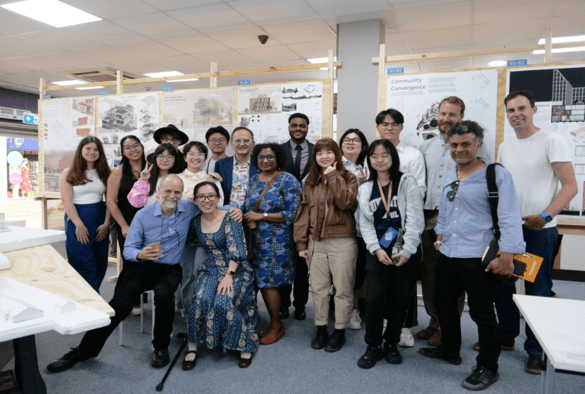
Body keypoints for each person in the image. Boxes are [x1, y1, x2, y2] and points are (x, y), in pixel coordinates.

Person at [47, 175, 199, 372]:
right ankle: (83, 350)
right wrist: (140, 253)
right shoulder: (143, 215)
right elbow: (128, 250)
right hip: (141, 265)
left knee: (163, 296)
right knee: (120, 303)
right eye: (168, 191)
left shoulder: (188, 209)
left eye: (177, 192)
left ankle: (161, 348)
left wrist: (234, 211)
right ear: (159, 191)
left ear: (182, 194)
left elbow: (214, 208)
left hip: (169, 268)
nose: (172, 195)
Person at [418, 120, 525, 391]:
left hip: (478, 257)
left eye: (466, 144)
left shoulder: (495, 175)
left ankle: (489, 366)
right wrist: (439, 240)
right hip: (449, 253)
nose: (460, 149)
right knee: (444, 304)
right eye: (454, 145)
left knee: (481, 313)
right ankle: (449, 349)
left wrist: (508, 256)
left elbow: (510, 216)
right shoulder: (452, 173)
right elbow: (445, 211)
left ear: (478, 144)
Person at [494, 90, 577, 374]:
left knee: (536, 291)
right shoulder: (505, 147)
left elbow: (570, 187)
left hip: (539, 231)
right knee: (503, 285)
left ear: (533, 109)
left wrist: (544, 216)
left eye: (521, 108)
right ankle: (506, 338)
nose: (516, 114)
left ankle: (535, 350)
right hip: (509, 229)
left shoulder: (551, 140)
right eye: (511, 110)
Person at [417, 96, 491, 347]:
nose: (446, 119)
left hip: (459, 219)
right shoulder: (426, 146)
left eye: (452, 114)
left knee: (454, 277)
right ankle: (434, 321)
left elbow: (486, 182)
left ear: (461, 117)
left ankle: (448, 326)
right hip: (428, 217)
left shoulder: (474, 146)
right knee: (430, 273)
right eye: (443, 114)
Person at [356, 139, 424, 369]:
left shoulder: (406, 182)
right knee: (374, 300)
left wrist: (407, 250)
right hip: (378, 250)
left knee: (400, 299)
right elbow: (365, 224)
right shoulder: (365, 188)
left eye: (385, 155)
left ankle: (391, 343)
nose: (379, 160)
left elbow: (416, 219)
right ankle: (373, 345)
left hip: (406, 250)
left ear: (393, 157)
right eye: (374, 156)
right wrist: (375, 248)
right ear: (369, 160)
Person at [184, 182, 258, 370]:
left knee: (222, 301)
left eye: (211, 196)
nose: (206, 200)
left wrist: (229, 275)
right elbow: (191, 241)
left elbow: (238, 250)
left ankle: (244, 344)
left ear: (218, 198)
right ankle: (192, 346)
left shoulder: (230, 218)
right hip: (210, 268)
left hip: (236, 269)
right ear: (195, 200)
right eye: (201, 196)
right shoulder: (195, 222)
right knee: (199, 299)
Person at [294, 138, 358, 353]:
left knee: (343, 288)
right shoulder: (310, 181)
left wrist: (332, 175)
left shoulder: (349, 178)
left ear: (336, 154)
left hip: (342, 240)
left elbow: (345, 203)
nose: (324, 156)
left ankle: (340, 330)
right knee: (319, 288)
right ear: (314, 157)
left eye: (329, 152)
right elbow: (303, 213)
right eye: (319, 153)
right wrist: (301, 242)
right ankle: (321, 328)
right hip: (316, 241)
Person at [243, 143, 301, 345]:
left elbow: (293, 213)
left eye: (269, 157)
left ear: (278, 159)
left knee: (269, 283)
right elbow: (246, 206)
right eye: (260, 157)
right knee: (258, 281)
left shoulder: (288, 180)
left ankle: (276, 325)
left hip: (277, 242)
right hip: (254, 241)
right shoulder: (253, 179)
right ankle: (270, 322)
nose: (265, 160)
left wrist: (262, 216)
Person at [376, 108, 425, 347]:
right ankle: (384, 322)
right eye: (384, 123)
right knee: (383, 278)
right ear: (378, 127)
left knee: (404, 281)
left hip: (405, 226)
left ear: (401, 127)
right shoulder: (373, 153)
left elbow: (419, 190)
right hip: (380, 229)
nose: (389, 127)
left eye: (394, 123)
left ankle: (404, 325)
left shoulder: (413, 155)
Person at [176, 141, 224, 315]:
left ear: (206, 157)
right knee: (185, 272)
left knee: (202, 270)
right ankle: (186, 307)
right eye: (191, 153)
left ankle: (201, 307)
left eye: (200, 154)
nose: (196, 157)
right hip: (182, 233)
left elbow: (220, 205)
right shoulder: (176, 179)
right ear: (185, 157)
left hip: (206, 232)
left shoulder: (212, 179)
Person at [60, 136, 111, 293]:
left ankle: (93, 295)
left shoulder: (104, 172)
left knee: (100, 261)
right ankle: (91, 302)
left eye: (96, 149)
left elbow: (110, 200)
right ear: (81, 150)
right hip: (78, 217)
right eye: (88, 148)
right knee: (83, 261)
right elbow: (66, 200)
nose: (92, 152)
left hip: (100, 217)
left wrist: (107, 223)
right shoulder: (69, 172)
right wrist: (79, 224)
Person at [279, 112, 314, 320]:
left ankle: (300, 304)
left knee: (302, 263)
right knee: (284, 261)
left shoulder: (317, 150)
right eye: (294, 125)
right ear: (289, 127)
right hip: (283, 214)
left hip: (309, 214)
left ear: (307, 127)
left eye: (302, 125)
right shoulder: (279, 150)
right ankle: (284, 304)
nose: (298, 128)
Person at [339, 128, 369, 330]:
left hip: (367, 229)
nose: (351, 143)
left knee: (362, 272)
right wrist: (358, 182)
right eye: (347, 140)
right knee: (345, 273)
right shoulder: (334, 165)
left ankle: (359, 307)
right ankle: (349, 310)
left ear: (363, 146)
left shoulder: (371, 164)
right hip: (343, 228)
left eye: (355, 140)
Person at [214, 126, 258, 209]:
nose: (242, 144)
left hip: (254, 214)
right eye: (237, 140)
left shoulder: (260, 163)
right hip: (229, 214)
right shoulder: (221, 164)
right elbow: (217, 191)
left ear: (253, 143)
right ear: (231, 143)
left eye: (246, 140)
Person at [127, 143, 183, 208]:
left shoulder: (180, 180)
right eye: (161, 156)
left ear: (175, 159)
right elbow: (136, 203)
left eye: (169, 157)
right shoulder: (147, 180)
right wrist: (142, 180)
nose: (164, 160)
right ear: (155, 158)